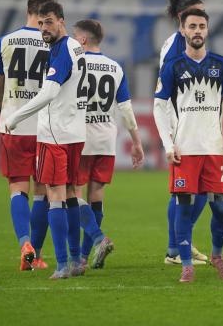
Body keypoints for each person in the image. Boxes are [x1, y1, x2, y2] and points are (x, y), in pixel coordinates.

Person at [153, 9, 223, 283]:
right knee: (184, 205)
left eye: (202, 26)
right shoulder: (173, 67)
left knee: (221, 208)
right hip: (185, 151)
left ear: (207, 29)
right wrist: (168, 144)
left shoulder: (221, 65)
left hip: (214, 151)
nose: (197, 31)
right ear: (182, 30)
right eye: (192, 26)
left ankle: (217, 255)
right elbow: (159, 106)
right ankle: (187, 264)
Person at [5, 0, 88, 280]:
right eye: (40, 23)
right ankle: (76, 260)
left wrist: (16, 117)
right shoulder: (75, 46)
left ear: (61, 20)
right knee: (73, 194)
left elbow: (50, 92)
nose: (44, 28)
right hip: (75, 131)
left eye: (49, 22)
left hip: (55, 134)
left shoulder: (62, 50)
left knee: (55, 196)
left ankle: (63, 264)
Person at [71, 19, 145, 268]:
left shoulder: (74, 64)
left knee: (72, 193)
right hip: (105, 138)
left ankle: (98, 238)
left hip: (78, 137)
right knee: (97, 195)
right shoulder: (115, 68)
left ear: (82, 39)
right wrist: (136, 142)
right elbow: (125, 108)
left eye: (74, 36)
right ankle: (82, 258)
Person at [0, 0, 54, 271]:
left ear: (28, 10)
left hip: (13, 124)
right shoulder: (54, 43)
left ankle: (25, 243)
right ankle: (37, 255)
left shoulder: (5, 41)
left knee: (17, 188)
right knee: (42, 191)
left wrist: (3, 111)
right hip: (44, 127)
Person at [159, 0, 209, 266]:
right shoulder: (177, 48)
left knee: (197, 187)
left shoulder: (180, 42)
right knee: (189, 189)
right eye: (196, 14)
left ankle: (180, 244)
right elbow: (168, 89)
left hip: (193, 122)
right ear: (182, 19)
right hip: (182, 124)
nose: (200, 20)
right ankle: (176, 248)